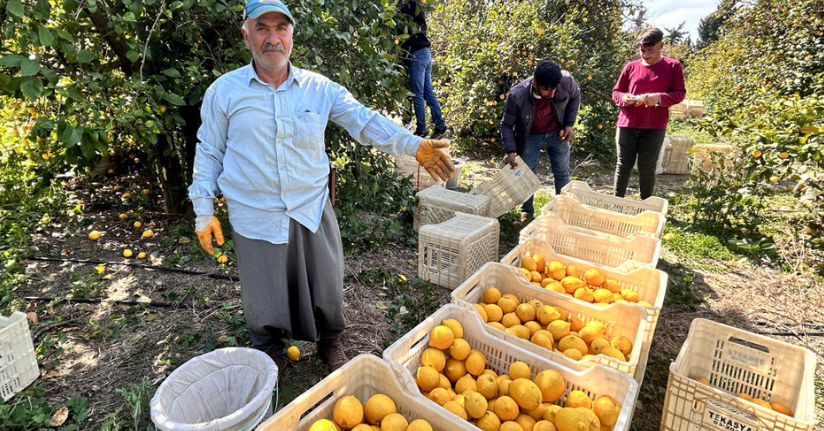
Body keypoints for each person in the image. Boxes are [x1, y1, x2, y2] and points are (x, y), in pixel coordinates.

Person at [188, 0, 454, 373]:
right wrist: (203, 209)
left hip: (310, 206)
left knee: (326, 286)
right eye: (262, 28)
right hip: (255, 213)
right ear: (246, 35)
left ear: (292, 36)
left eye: (281, 28)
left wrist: (413, 145)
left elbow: (364, 121)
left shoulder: (318, 88)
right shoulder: (224, 91)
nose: (272, 38)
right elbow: (209, 151)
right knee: (263, 296)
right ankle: (271, 350)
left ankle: (330, 340)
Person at [612, 27, 686, 199]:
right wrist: (625, 98)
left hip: (654, 126)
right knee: (623, 165)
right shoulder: (630, 67)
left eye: (650, 50)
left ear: (661, 45)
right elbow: (616, 92)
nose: (645, 54)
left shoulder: (672, 66)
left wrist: (659, 98)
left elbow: (679, 93)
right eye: (642, 50)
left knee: (647, 167)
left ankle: (645, 205)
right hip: (627, 124)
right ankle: (616, 202)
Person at [501, 60, 581, 220]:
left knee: (561, 172)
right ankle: (527, 212)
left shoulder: (566, 81)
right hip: (531, 135)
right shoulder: (518, 95)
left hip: (557, 132)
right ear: (535, 84)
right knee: (528, 174)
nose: (551, 93)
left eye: (554, 89)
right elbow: (506, 125)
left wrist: (569, 124)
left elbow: (575, 96)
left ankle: (563, 211)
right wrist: (511, 150)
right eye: (546, 89)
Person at [399, 0, 448, 138]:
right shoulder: (418, 7)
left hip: (416, 55)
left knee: (417, 94)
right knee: (428, 92)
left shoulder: (406, 7)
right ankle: (441, 127)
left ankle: (422, 129)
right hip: (426, 52)